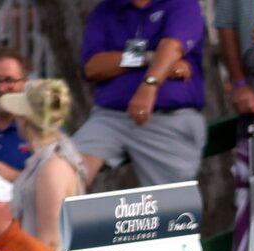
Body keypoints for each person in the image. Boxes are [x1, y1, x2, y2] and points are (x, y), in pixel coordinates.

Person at [77, 0, 215, 188]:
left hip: (169, 119)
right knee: (64, 168)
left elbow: (172, 46)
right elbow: (93, 66)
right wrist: (148, 57)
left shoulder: (182, 3)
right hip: (109, 118)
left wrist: (148, 86)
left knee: (169, 210)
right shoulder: (105, 10)